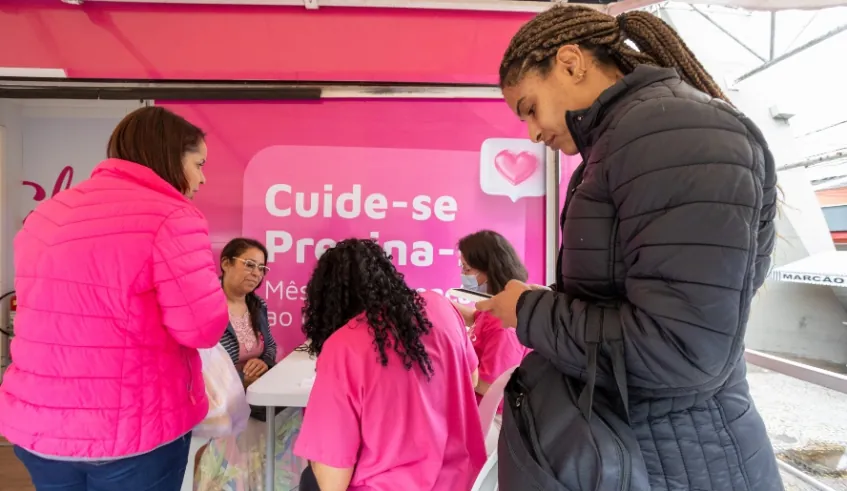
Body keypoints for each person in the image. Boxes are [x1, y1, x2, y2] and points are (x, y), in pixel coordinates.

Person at [477, 5, 783, 491]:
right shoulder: (631, 141)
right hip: (648, 453)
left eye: (530, 108)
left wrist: (531, 311)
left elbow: (683, 351)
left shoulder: (675, 135)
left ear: (571, 63)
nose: (532, 133)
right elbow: (636, 302)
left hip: (680, 463)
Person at [0, 106, 229, 490]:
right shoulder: (173, 216)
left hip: (40, 427)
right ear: (171, 157)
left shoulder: (48, 213)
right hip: (130, 432)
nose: (202, 178)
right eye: (199, 164)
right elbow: (202, 328)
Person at [294, 239, 487, 491]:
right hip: (463, 482)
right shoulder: (441, 307)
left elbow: (332, 483)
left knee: (310, 478)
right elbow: (472, 379)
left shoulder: (342, 347)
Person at [452, 230, 530, 399]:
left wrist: (448, 369)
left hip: (487, 412)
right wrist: (438, 305)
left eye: (467, 269)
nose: (463, 275)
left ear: (490, 270)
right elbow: (475, 317)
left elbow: (490, 386)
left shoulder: (504, 325)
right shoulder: (494, 308)